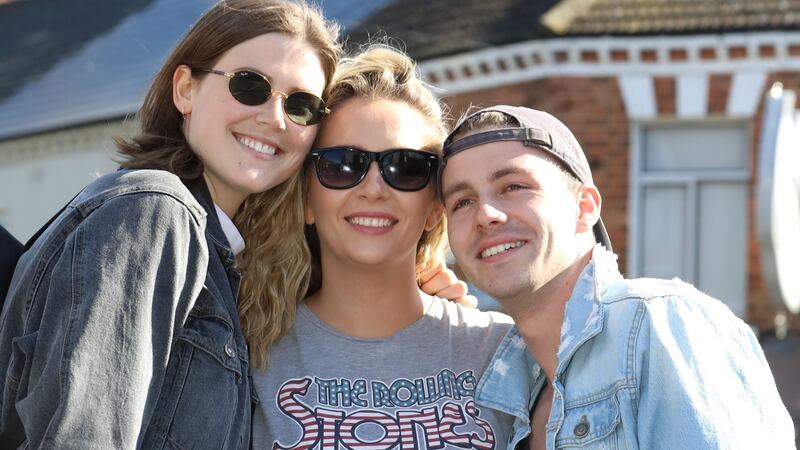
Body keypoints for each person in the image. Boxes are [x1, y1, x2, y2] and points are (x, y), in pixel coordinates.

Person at [0, 2, 468, 448]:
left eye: (302, 106)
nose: (273, 118)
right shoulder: (152, 211)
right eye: (250, 86)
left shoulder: (224, 262)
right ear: (185, 89)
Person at [438, 105, 796, 450]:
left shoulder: (661, 323)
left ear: (585, 208)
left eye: (514, 186)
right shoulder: (510, 391)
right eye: (462, 202)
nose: (485, 213)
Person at [251, 46, 515, 449]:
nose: (373, 188)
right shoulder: (248, 356)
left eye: (405, 167)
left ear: (433, 207)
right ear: (306, 199)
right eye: (342, 164)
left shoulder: (502, 352)